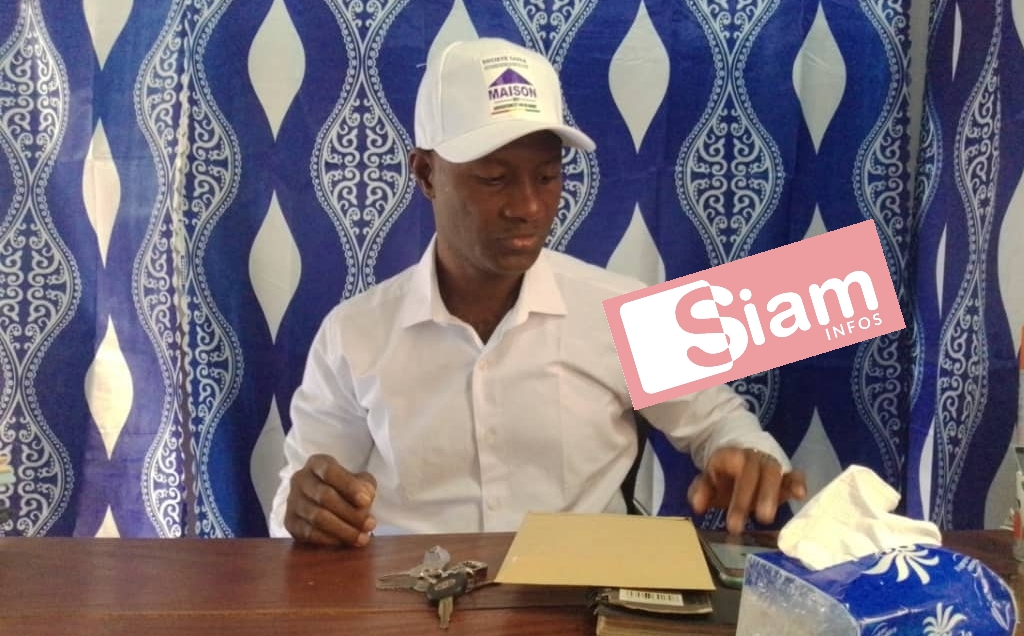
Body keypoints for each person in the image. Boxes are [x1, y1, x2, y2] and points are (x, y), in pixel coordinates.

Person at [268, 37, 806, 547]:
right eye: (493, 178)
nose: (527, 207)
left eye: (546, 177)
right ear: (427, 174)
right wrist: (307, 512)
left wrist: (745, 454)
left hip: (583, 594)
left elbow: (720, 422)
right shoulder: (354, 335)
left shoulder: (620, 312)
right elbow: (300, 501)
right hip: (410, 593)